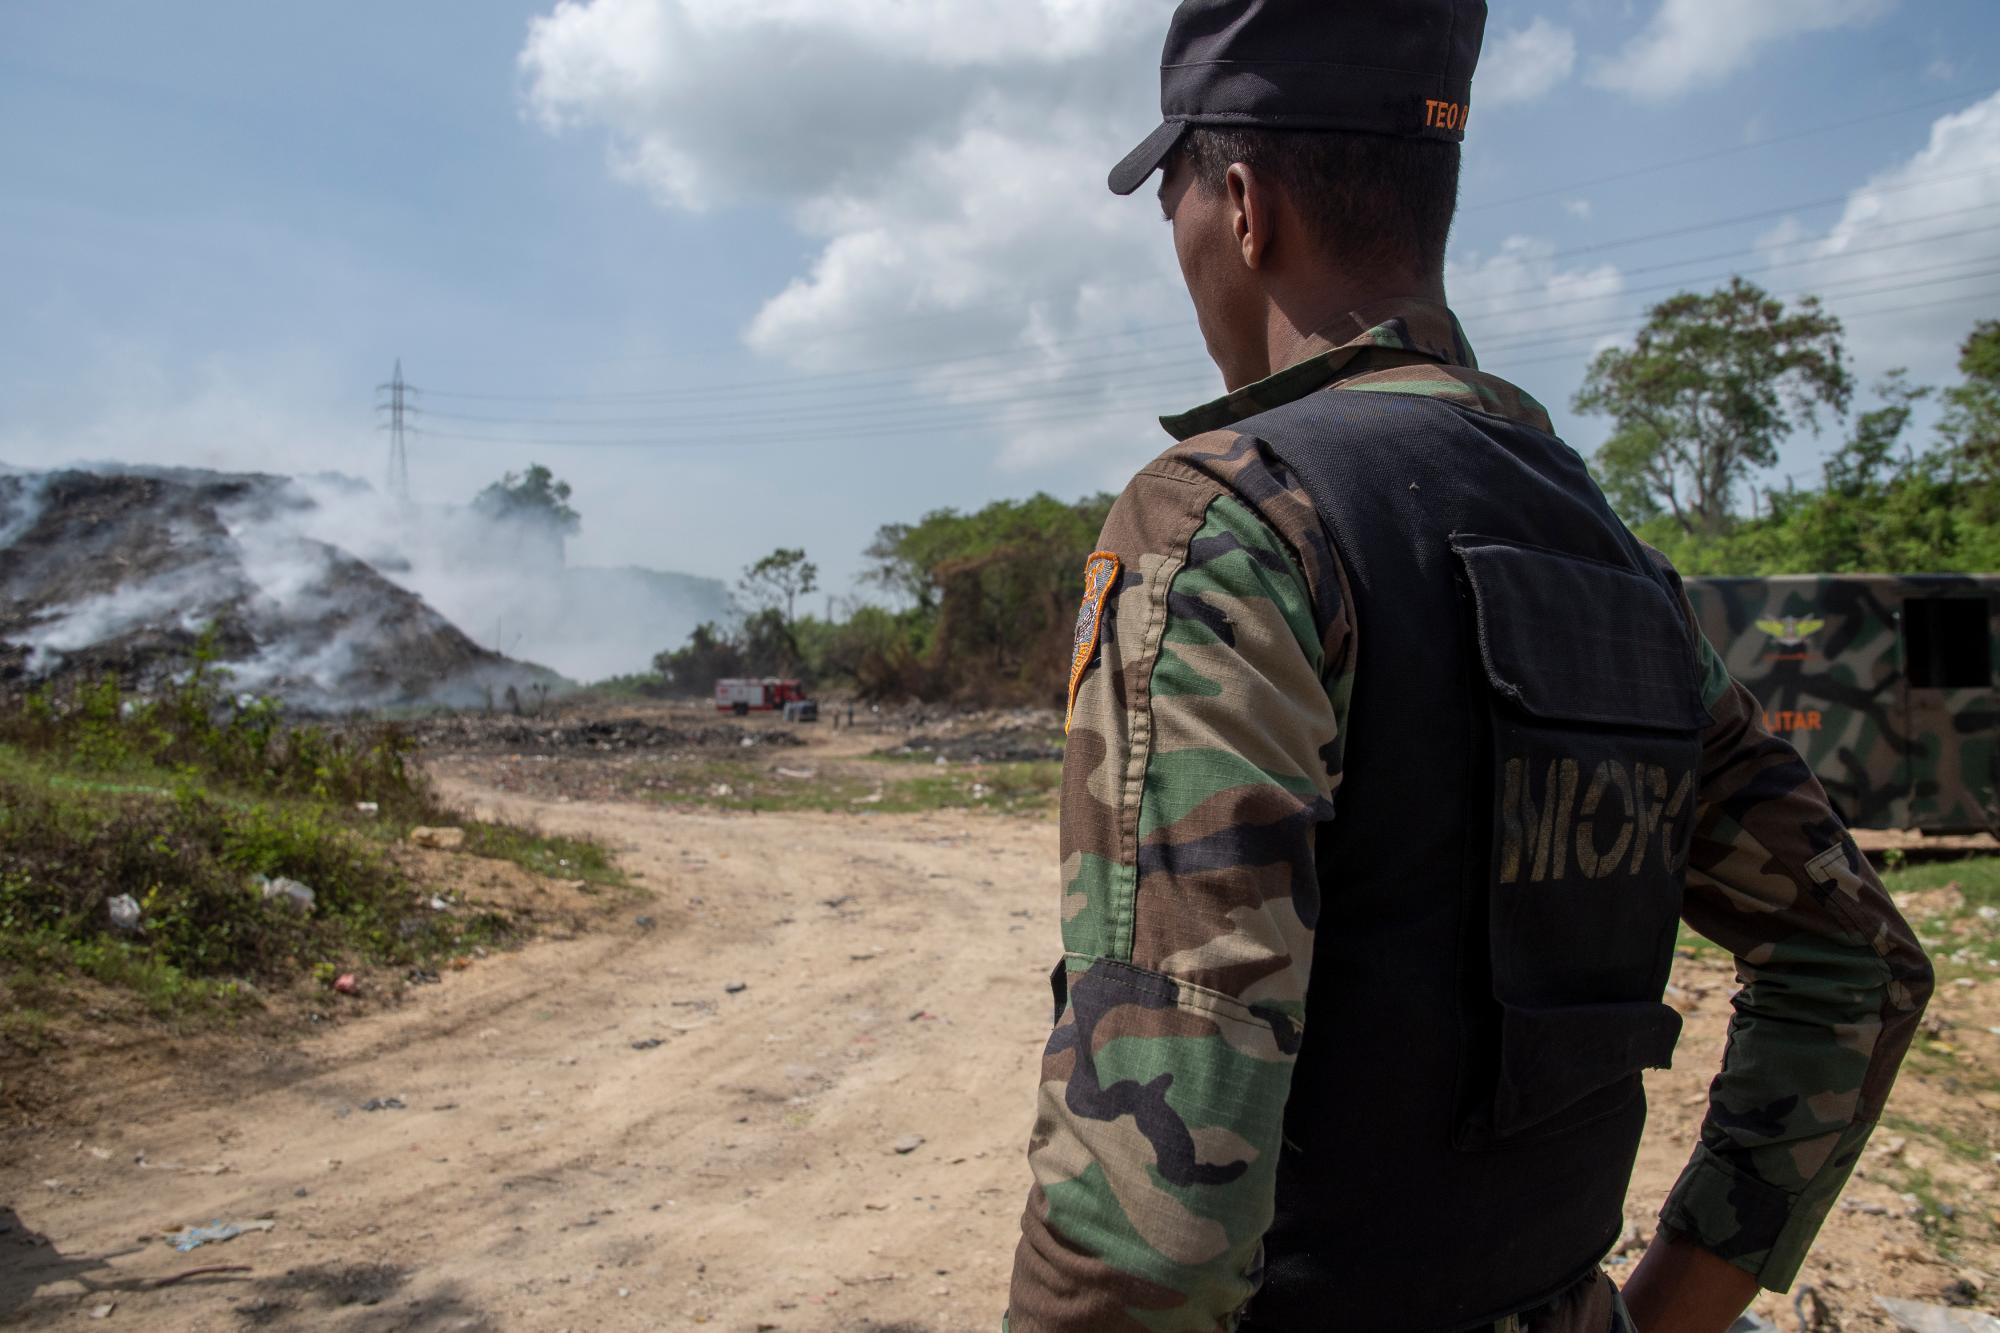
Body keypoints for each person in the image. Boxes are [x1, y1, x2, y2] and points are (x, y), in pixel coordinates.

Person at [1006, 3, 1934, 1331]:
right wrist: (1662, 1312)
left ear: (1246, 206)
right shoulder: (1616, 560)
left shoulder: (1230, 522)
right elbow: (1855, 962)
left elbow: (1158, 1194)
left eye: (1177, 206)